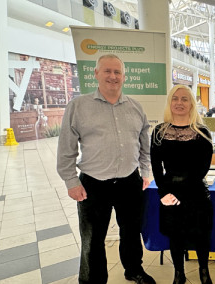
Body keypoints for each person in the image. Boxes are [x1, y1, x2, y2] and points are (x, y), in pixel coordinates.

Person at [57, 54, 155, 284]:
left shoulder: (135, 107)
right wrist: (71, 181)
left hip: (129, 181)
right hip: (93, 184)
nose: (113, 76)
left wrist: (146, 172)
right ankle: (92, 280)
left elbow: (145, 146)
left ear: (124, 76)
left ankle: (134, 270)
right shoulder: (78, 106)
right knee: (93, 238)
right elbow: (66, 149)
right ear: (96, 74)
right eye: (107, 71)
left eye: (117, 72)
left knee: (131, 232)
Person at [150, 85, 214, 284]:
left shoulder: (202, 132)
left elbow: (202, 169)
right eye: (175, 98)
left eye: (184, 99)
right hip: (170, 193)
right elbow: (155, 166)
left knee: (201, 235)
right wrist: (163, 193)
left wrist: (182, 193)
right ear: (170, 102)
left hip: (196, 192)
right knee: (175, 237)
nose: (179, 102)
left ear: (191, 104)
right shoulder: (159, 132)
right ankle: (179, 273)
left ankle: (204, 271)